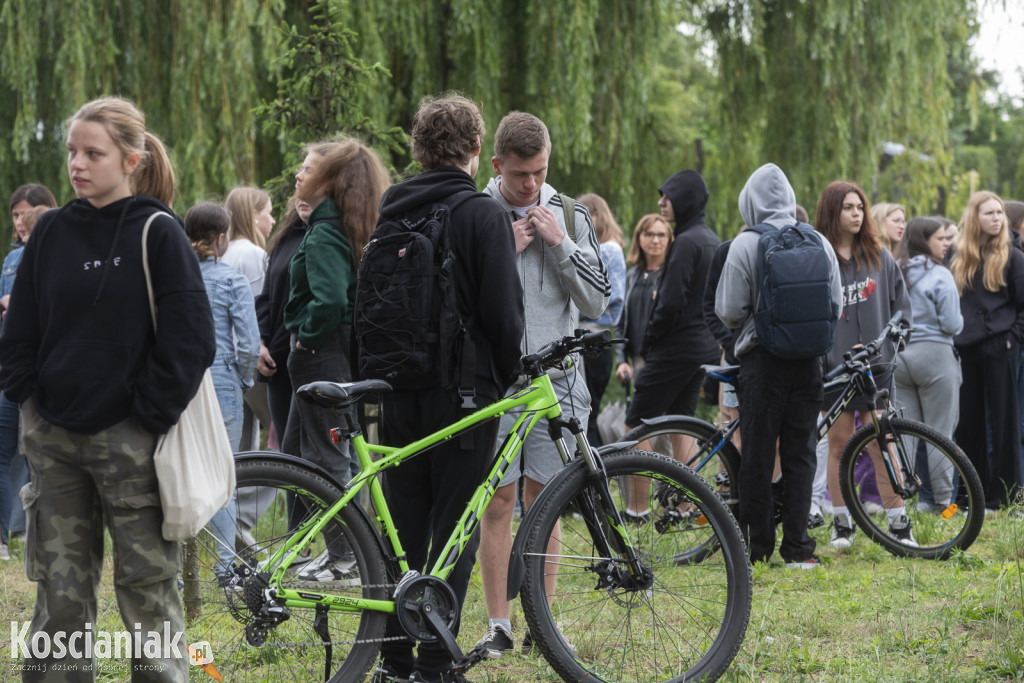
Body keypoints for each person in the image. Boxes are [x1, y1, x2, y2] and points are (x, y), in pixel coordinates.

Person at [0, 96, 214, 680]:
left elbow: (191, 339)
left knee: (149, 597)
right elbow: (20, 331)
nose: (78, 164)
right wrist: (31, 400)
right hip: (55, 441)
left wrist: (146, 414)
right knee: (59, 599)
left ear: (131, 160)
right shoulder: (50, 234)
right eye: (72, 151)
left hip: (132, 443)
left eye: (93, 153)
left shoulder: (158, 232)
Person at [367, 93, 525, 683]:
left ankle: (392, 660)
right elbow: (503, 316)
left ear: (418, 149)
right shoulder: (480, 214)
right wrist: (509, 377)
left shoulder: (392, 209)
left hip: (394, 388)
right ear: (478, 151)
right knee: (455, 529)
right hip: (462, 395)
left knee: (402, 531)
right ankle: (435, 662)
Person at [477, 111, 609, 658]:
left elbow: (598, 301)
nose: (530, 185)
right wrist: (499, 253)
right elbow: (457, 302)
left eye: (539, 172)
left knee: (546, 500)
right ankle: (498, 624)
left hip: (558, 383)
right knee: (499, 502)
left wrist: (561, 245)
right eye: (519, 175)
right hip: (495, 385)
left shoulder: (572, 214)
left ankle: (543, 621)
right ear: (496, 165)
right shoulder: (477, 212)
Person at [716, 163, 842, 568]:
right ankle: (799, 548)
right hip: (809, 362)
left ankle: (756, 547)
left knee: (757, 451)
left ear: (748, 202)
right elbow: (835, 305)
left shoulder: (745, 244)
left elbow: (729, 310)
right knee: (801, 451)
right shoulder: (818, 241)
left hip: (762, 362)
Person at [283, 137, 390, 584]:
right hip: (327, 355)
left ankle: (345, 559)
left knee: (327, 460)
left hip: (320, 356)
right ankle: (326, 551)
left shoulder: (325, 233)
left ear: (327, 182)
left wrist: (305, 338)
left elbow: (329, 302)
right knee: (300, 455)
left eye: (306, 169)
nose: (298, 176)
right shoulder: (337, 226)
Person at [814, 180, 912, 549]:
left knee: (880, 440)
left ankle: (899, 522)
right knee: (838, 444)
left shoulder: (879, 256)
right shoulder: (819, 259)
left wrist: (897, 338)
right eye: (848, 208)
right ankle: (842, 524)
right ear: (832, 211)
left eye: (860, 207)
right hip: (836, 369)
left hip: (875, 366)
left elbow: (901, 305)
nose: (856, 214)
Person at [184, 201, 260, 585]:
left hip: (181, 383)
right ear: (221, 237)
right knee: (222, 475)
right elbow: (248, 345)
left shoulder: (177, 279)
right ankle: (225, 568)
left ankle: (178, 571)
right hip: (222, 382)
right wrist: (244, 379)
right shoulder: (231, 281)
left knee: (181, 470)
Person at [624, 170, 720, 455]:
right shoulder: (711, 240)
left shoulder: (686, 243)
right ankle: (687, 501)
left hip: (675, 349)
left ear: (685, 199)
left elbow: (670, 304)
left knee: (635, 426)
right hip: (703, 348)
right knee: (682, 425)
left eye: (667, 196)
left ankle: (636, 503)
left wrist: (648, 341)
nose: (661, 203)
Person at [948, 191, 1024, 510]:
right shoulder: (956, 254)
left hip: (1000, 344)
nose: (996, 218)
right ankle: (970, 496)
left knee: (1005, 420)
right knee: (968, 422)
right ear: (974, 217)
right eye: (989, 213)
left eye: (999, 213)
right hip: (965, 346)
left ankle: (1007, 497)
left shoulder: (1014, 256)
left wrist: (1013, 338)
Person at [0, 185, 57, 560]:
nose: (20, 222)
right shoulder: (10, 259)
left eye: (27, 214)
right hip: (10, 367)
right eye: (15, 215)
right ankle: (4, 537)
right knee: (4, 451)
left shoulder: (60, 252)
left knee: (43, 455)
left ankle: (44, 538)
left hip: (48, 370)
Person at [893, 217, 963, 512]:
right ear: (925, 241)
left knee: (906, 432)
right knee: (940, 432)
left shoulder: (895, 269)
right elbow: (952, 323)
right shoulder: (941, 274)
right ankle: (942, 503)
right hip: (935, 355)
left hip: (899, 356)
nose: (946, 242)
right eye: (939, 238)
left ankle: (904, 500)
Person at [223, 187, 275, 452]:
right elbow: (258, 309)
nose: (273, 221)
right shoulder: (252, 255)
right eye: (269, 212)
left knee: (236, 448)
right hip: (251, 362)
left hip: (225, 363)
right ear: (254, 215)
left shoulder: (224, 253)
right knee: (274, 442)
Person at [577, 193, 626, 445]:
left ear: (596, 215)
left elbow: (608, 299)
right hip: (594, 339)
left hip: (592, 337)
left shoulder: (607, 250)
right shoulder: (604, 249)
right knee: (587, 411)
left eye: (582, 214)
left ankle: (592, 475)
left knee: (586, 412)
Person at [614, 214, 673, 384]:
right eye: (648, 234)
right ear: (639, 237)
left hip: (667, 360)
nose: (655, 240)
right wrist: (621, 360)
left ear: (670, 239)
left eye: (661, 235)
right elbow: (620, 321)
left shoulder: (673, 275)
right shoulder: (632, 276)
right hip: (639, 360)